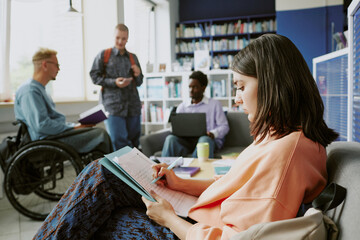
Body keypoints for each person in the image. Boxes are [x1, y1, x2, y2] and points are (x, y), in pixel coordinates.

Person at [33, 34, 338, 240]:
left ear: (273, 85)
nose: (237, 99)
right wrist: (180, 183)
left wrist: (170, 220)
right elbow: (233, 188)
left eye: (241, 87)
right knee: (102, 174)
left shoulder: (287, 153)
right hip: (197, 216)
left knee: (101, 209)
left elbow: (240, 236)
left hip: (190, 230)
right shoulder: (282, 138)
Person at [14, 47, 112, 157]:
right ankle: (107, 172)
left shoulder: (39, 89)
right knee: (100, 135)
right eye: (56, 65)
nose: (58, 69)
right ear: (45, 65)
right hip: (46, 140)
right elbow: (41, 126)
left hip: (54, 136)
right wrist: (73, 128)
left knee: (94, 131)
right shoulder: (30, 91)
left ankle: (102, 170)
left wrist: (76, 126)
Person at [90, 23, 143, 150]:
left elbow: (140, 82)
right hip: (113, 107)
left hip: (133, 107)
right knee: (119, 142)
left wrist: (138, 74)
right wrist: (114, 82)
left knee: (134, 143)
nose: (120, 41)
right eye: (118, 38)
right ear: (113, 36)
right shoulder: (104, 55)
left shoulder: (133, 57)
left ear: (127, 39)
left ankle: (136, 170)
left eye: (123, 38)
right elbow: (94, 76)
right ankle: (121, 170)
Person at [161, 71, 229, 158]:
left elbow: (224, 126)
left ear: (203, 88)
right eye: (189, 87)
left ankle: (198, 170)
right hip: (187, 142)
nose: (191, 90)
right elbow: (177, 128)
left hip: (207, 140)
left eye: (195, 87)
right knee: (170, 139)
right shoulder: (182, 107)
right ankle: (164, 169)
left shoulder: (215, 104)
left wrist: (212, 133)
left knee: (204, 140)